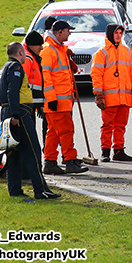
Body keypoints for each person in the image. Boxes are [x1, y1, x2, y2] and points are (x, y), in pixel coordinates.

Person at [0, 42, 61, 199]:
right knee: (33, 150)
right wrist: (16, 114)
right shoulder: (16, 68)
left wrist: (6, 108)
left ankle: (15, 190)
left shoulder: (3, 68)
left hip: (7, 112)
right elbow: (13, 90)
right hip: (20, 114)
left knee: (13, 153)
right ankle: (41, 190)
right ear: (21, 53)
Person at [40, 20, 89, 175]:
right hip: (57, 101)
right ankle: (69, 160)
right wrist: (51, 97)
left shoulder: (59, 49)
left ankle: (50, 162)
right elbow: (45, 76)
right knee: (66, 131)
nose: (70, 33)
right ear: (59, 32)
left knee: (54, 133)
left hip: (61, 101)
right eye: (68, 30)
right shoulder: (49, 50)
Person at [92, 24, 132, 162]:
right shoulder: (101, 53)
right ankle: (105, 151)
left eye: (120, 33)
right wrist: (99, 95)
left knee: (121, 126)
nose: (118, 35)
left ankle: (119, 150)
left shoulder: (127, 51)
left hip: (124, 98)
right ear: (110, 34)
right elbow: (96, 75)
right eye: (116, 33)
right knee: (107, 125)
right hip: (109, 98)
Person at [22, 31, 48, 147]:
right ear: (31, 45)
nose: (41, 48)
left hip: (33, 101)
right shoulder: (28, 59)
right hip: (29, 102)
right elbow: (26, 82)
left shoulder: (32, 57)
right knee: (29, 132)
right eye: (39, 45)